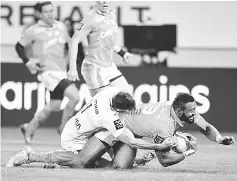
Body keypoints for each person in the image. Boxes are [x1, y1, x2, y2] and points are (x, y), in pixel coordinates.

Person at [6, 87, 175, 168]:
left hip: (84, 128)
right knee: (82, 163)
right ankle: (30, 155)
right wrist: (158, 146)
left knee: (116, 167)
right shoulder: (108, 117)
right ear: (118, 109)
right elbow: (130, 140)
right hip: (74, 139)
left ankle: (136, 161)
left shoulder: (110, 92)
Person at [111, 92, 235, 168]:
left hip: (136, 128)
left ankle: (145, 156)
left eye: (194, 109)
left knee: (124, 162)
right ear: (179, 111)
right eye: (191, 111)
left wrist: (220, 138)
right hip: (120, 126)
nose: (194, 113)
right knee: (119, 166)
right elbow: (164, 160)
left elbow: (205, 127)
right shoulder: (164, 126)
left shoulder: (177, 106)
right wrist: (187, 152)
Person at [15, 1, 80, 144]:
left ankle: (29, 127)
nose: (50, 14)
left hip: (61, 71)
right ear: (39, 13)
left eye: (52, 10)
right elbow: (19, 46)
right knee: (75, 96)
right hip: (47, 72)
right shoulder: (33, 31)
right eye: (46, 11)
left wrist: (71, 64)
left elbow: (69, 45)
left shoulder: (61, 26)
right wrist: (27, 61)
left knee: (54, 106)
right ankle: (64, 129)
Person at [68, 1, 133, 97]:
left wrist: (122, 53)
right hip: (94, 67)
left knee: (128, 97)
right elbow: (74, 40)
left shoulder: (112, 14)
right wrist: (72, 68)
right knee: (105, 105)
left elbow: (107, 40)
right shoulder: (90, 17)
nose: (105, 1)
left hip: (109, 66)